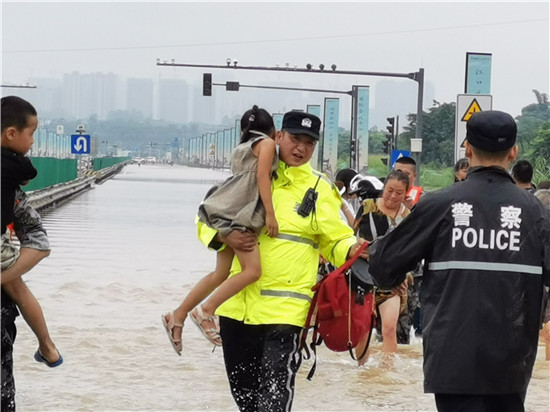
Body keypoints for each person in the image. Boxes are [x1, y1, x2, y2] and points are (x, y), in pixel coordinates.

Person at [368, 110, 550, 412]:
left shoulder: (438, 205)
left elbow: (383, 267)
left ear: (467, 148)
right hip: (512, 366)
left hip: (451, 362)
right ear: (514, 152)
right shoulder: (537, 214)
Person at [197, 110, 368, 411]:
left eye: (309, 143)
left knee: (274, 401)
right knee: (246, 402)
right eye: (294, 139)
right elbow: (204, 220)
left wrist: (354, 249)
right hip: (237, 312)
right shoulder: (248, 177)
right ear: (278, 137)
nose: (300, 148)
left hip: (285, 314)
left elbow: (335, 239)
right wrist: (224, 237)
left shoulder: (319, 188)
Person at [162, 106, 279, 354]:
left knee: (220, 273)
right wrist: (270, 214)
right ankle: (205, 310)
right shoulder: (267, 144)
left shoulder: (240, 148)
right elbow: (262, 178)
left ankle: (178, 315)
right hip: (241, 213)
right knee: (253, 271)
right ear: (273, 130)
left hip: (224, 209)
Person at [1, 96, 60, 411]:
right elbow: (40, 242)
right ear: (11, 134)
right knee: (17, 286)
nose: (34, 142)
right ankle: (47, 346)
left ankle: (48, 346)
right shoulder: (13, 170)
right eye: (32, 134)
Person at [352, 169, 411, 365]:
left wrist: (406, 275)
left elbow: (412, 251)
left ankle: (387, 372)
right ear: (383, 188)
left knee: (389, 328)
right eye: (389, 190)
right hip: (364, 277)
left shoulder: (409, 217)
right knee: (363, 328)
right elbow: (350, 235)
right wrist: (358, 246)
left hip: (391, 280)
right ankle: (362, 370)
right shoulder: (367, 207)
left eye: (399, 193)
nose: (393, 196)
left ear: (406, 194)